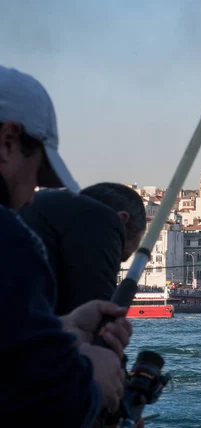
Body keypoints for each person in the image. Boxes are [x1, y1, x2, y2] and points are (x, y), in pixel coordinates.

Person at [0, 65, 132, 426]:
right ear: (9, 142)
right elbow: (39, 399)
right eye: (37, 176)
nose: (31, 199)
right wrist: (92, 378)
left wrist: (63, 328)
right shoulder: (9, 238)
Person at [20, 182, 146, 315]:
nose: (115, 266)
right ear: (121, 220)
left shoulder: (41, 206)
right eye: (118, 255)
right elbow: (98, 314)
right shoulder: (102, 222)